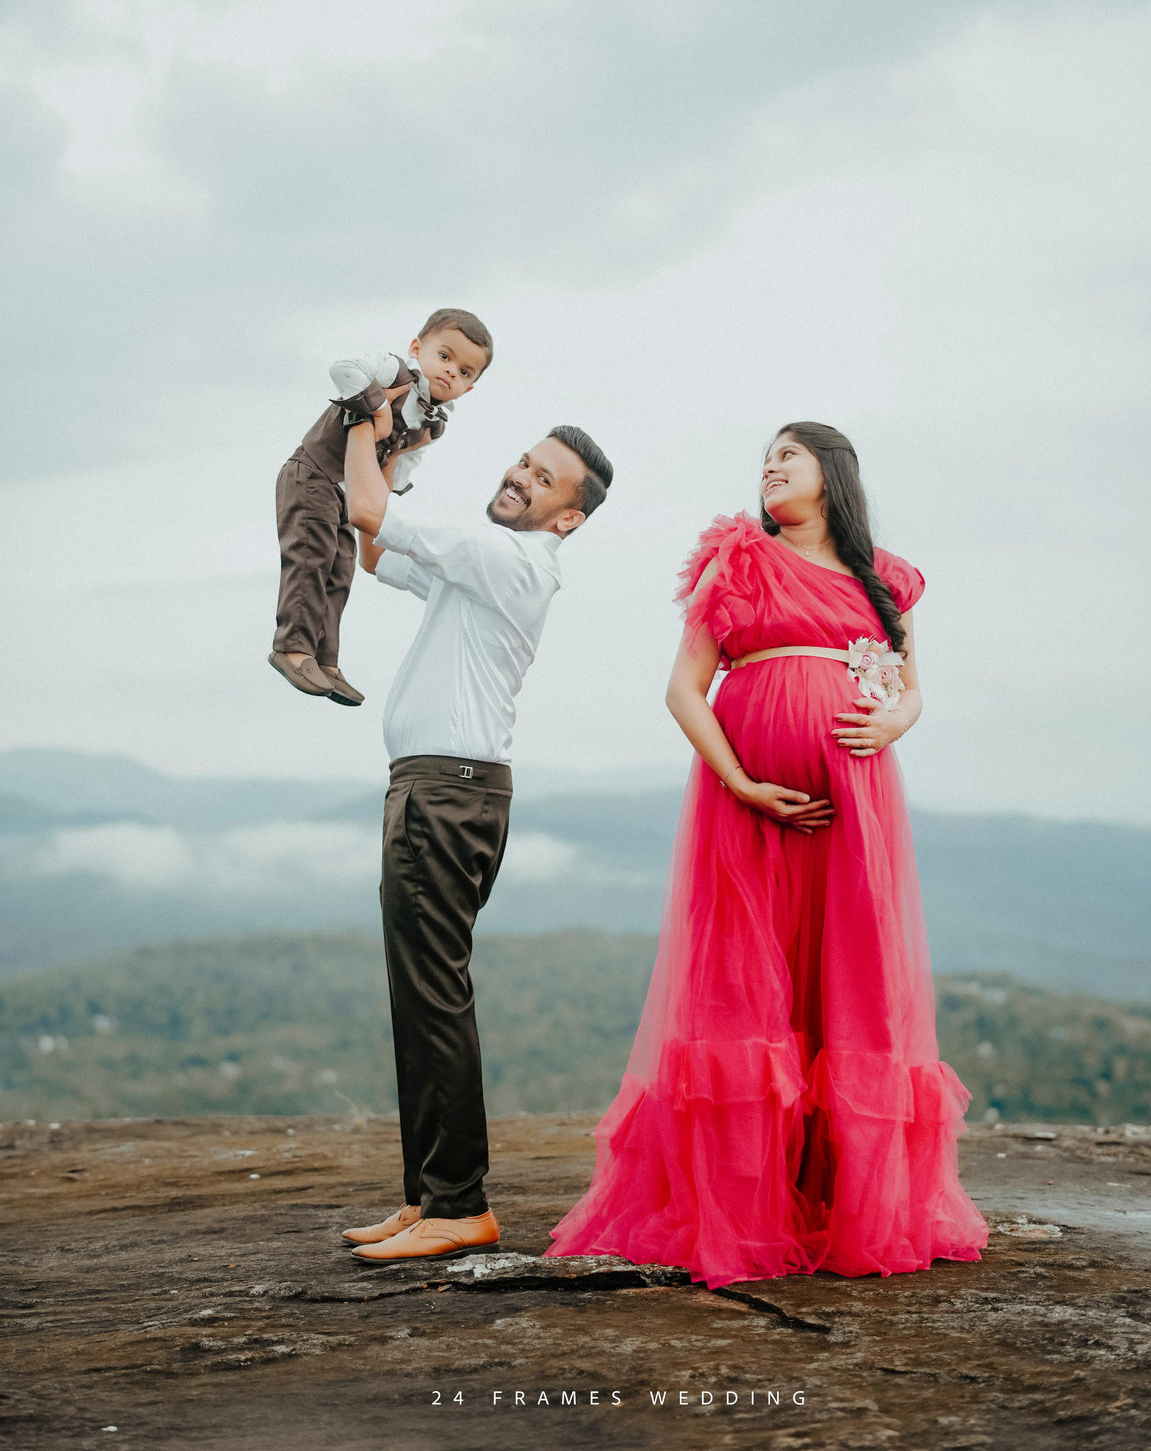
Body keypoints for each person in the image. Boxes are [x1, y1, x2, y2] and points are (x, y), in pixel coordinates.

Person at [547, 421, 988, 1288]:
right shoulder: (739, 559)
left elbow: (908, 685)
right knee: (748, 989)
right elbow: (684, 688)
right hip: (748, 809)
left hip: (855, 809)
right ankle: (747, 1208)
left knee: (848, 980)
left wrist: (898, 717)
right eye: (765, 459)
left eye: (789, 453)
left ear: (832, 473)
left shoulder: (882, 581)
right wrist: (742, 782)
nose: (771, 467)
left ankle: (840, 1200)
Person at [338, 417, 614, 1262]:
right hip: (434, 789)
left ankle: (460, 1203)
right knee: (418, 999)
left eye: (545, 478)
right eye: (525, 461)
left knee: (434, 996)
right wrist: (394, 451)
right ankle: (429, 1195)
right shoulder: (480, 568)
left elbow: (366, 506)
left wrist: (360, 416)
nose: (522, 475)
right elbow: (376, 548)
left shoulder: (514, 561)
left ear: (567, 516)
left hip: (446, 794)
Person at [269, 307, 493, 706]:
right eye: (445, 357)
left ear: (470, 388)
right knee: (312, 557)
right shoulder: (393, 372)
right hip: (313, 473)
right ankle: (292, 647)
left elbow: (402, 463)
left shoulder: (431, 423)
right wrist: (377, 408)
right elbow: (344, 369)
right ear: (416, 348)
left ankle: (326, 662)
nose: (451, 373)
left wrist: (389, 509)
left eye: (464, 372)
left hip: (345, 494)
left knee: (340, 569)